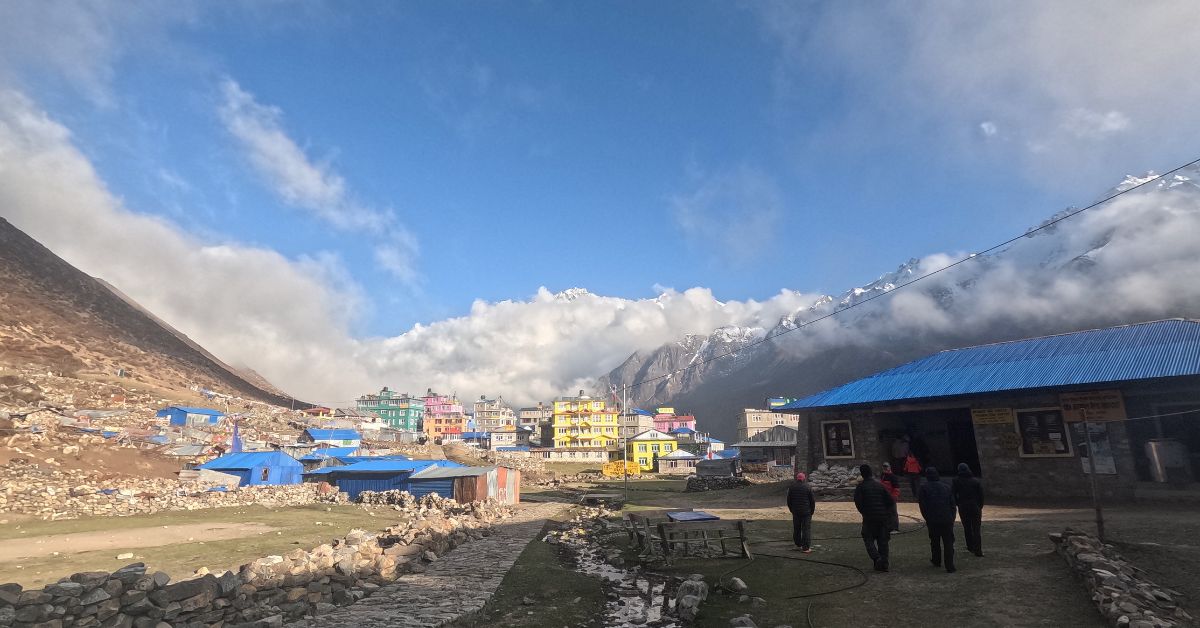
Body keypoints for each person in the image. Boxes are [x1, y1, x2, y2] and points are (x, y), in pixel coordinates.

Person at [853, 464, 898, 572]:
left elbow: (858, 503)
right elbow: (890, 501)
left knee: (868, 539)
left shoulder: (861, 487)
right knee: (883, 541)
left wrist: (864, 512)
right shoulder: (880, 486)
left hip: (869, 518)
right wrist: (885, 512)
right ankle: (884, 564)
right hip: (882, 518)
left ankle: (877, 558)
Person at [918, 466, 957, 573]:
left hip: (933, 519)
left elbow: (923, 506)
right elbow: (952, 505)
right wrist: (952, 517)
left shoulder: (924, 488)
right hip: (947, 518)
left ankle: (936, 560)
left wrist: (927, 518)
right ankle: (950, 565)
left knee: (935, 541)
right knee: (948, 542)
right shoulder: (947, 487)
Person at [952, 462, 985, 557]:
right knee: (976, 529)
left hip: (963, 506)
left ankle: (970, 546)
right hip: (975, 506)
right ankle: (978, 550)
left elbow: (953, 494)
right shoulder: (975, 481)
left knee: (967, 527)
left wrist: (958, 503)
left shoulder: (956, 481)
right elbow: (981, 495)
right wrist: (979, 506)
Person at [786, 471, 816, 553]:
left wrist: (792, 510)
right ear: (804, 478)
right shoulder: (808, 487)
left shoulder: (792, 487)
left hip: (796, 512)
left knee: (797, 528)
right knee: (806, 529)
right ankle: (806, 548)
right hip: (806, 512)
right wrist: (812, 511)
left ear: (797, 478)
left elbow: (789, 500)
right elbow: (812, 501)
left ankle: (798, 544)